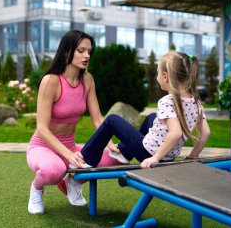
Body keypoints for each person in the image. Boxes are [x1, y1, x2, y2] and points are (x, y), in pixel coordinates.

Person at [26, 30, 121, 215]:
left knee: (114, 158)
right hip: (42, 146)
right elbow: (42, 129)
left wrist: (110, 144)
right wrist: (69, 154)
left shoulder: (87, 80)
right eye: (81, 50)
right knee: (54, 170)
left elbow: (97, 118)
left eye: (89, 51)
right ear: (66, 52)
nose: (86, 55)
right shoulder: (50, 81)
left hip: (69, 147)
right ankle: (36, 189)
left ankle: (72, 182)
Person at [79, 51, 211, 169]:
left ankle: (86, 159)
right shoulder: (197, 104)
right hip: (169, 156)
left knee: (111, 120)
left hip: (147, 152)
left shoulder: (167, 101)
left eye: (158, 73)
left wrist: (155, 158)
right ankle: (125, 153)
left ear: (165, 76)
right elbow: (205, 133)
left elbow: (175, 133)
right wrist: (193, 155)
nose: (157, 77)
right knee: (152, 117)